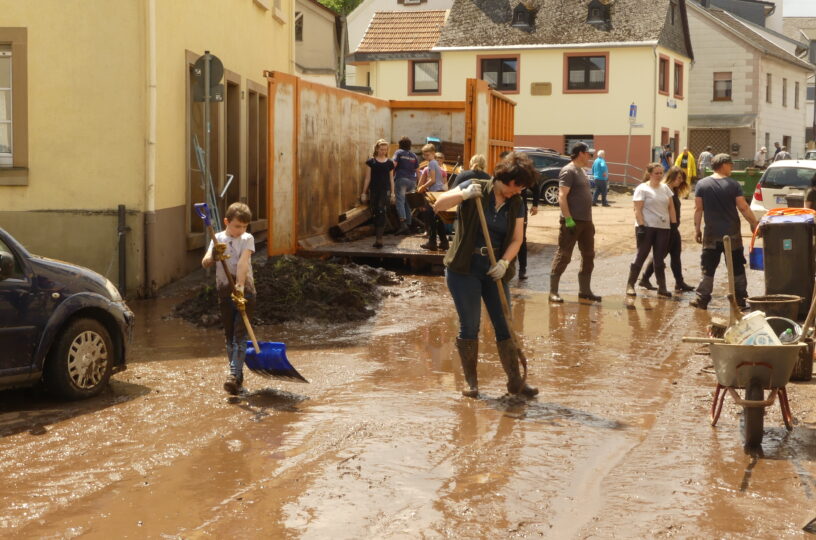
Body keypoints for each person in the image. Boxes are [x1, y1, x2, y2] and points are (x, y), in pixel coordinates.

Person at [432, 152, 538, 398]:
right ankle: (471, 382)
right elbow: (439, 205)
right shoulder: (476, 187)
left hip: (494, 270)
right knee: (470, 325)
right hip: (464, 269)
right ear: (507, 179)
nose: (519, 192)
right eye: (518, 186)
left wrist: (504, 261)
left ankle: (515, 382)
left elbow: (517, 239)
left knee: (505, 325)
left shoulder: (516, 203)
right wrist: (463, 194)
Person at [201, 202, 257, 395]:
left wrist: (240, 287)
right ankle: (237, 379)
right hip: (224, 292)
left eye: (244, 226)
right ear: (226, 222)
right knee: (229, 336)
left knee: (240, 336)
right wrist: (215, 256)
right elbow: (205, 261)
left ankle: (232, 374)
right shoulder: (217, 239)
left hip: (245, 292)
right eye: (236, 226)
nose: (240, 230)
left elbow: (242, 263)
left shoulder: (247, 239)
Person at [691, 153, 759, 310]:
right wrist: (754, 223)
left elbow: (698, 209)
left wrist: (697, 230)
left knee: (708, 268)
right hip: (732, 236)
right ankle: (741, 300)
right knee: (736, 267)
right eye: (730, 164)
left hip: (711, 235)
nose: (732, 167)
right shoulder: (733, 185)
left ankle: (702, 300)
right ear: (722, 165)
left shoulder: (702, 184)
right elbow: (743, 207)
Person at [549, 143, 601, 303]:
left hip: (586, 221)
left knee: (588, 255)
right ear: (580, 153)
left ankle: (585, 291)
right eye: (588, 154)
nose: (590, 157)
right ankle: (553, 292)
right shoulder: (568, 170)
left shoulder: (582, 171)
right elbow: (562, 196)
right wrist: (568, 219)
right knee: (564, 255)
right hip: (572, 222)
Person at [638, 166, 695, 293]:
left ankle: (679, 282)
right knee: (660, 256)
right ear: (672, 176)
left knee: (675, 256)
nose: (680, 181)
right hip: (665, 229)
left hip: (673, 228)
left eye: (682, 179)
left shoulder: (672, 190)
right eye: (679, 178)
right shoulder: (665, 189)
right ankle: (645, 278)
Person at [624, 163, 677, 298]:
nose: (659, 176)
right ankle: (630, 285)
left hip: (663, 227)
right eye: (656, 173)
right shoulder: (642, 188)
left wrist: (674, 224)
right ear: (649, 174)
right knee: (641, 255)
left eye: (661, 173)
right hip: (646, 227)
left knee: (659, 258)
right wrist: (641, 226)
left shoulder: (665, 188)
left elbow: (671, 207)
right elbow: (637, 209)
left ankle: (662, 287)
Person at [360, 138, 396, 248]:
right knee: (375, 212)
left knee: (381, 211)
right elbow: (367, 178)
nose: (383, 151)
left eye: (385, 149)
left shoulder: (390, 163)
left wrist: (393, 193)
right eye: (381, 149)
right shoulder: (371, 162)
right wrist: (364, 193)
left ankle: (379, 239)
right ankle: (377, 238)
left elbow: (391, 179)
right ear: (377, 149)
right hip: (374, 191)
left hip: (385, 191)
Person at [418, 143, 448, 250]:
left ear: (433, 154)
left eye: (428, 155)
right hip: (439, 192)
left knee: (429, 217)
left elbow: (433, 180)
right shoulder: (436, 163)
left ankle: (432, 242)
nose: (426, 157)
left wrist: (422, 187)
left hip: (434, 193)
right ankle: (444, 242)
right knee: (438, 218)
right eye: (424, 155)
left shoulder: (431, 163)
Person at [392, 136, 419, 235]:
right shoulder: (414, 155)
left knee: (400, 202)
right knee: (407, 203)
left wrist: (390, 176)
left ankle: (403, 225)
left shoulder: (398, 152)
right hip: (412, 181)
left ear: (400, 145)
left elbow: (393, 165)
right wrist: (418, 184)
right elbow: (417, 171)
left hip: (401, 179)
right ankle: (408, 224)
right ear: (410, 146)